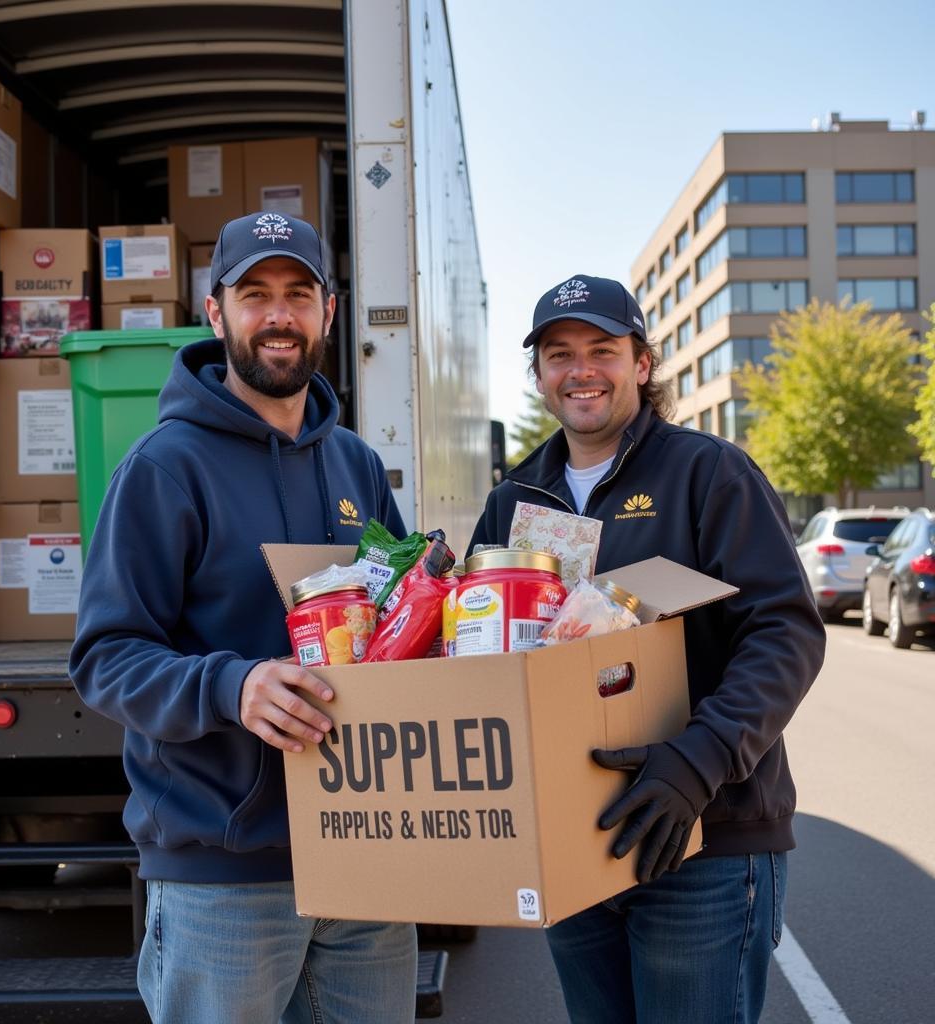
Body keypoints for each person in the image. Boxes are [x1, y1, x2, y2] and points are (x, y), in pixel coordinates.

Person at [70, 212, 417, 1024]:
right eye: (255, 294)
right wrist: (234, 686)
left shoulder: (355, 462)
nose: (279, 315)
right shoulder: (164, 468)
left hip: (369, 855)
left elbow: (403, 615)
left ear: (328, 312)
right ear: (217, 312)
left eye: (298, 293)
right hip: (222, 878)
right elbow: (105, 656)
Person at [468, 275, 826, 1024]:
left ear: (642, 362)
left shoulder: (708, 473)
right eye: (560, 354)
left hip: (703, 837)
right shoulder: (514, 500)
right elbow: (483, 660)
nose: (581, 370)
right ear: (538, 375)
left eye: (603, 348)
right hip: (575, 841)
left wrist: (700, 758)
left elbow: (785, 631)